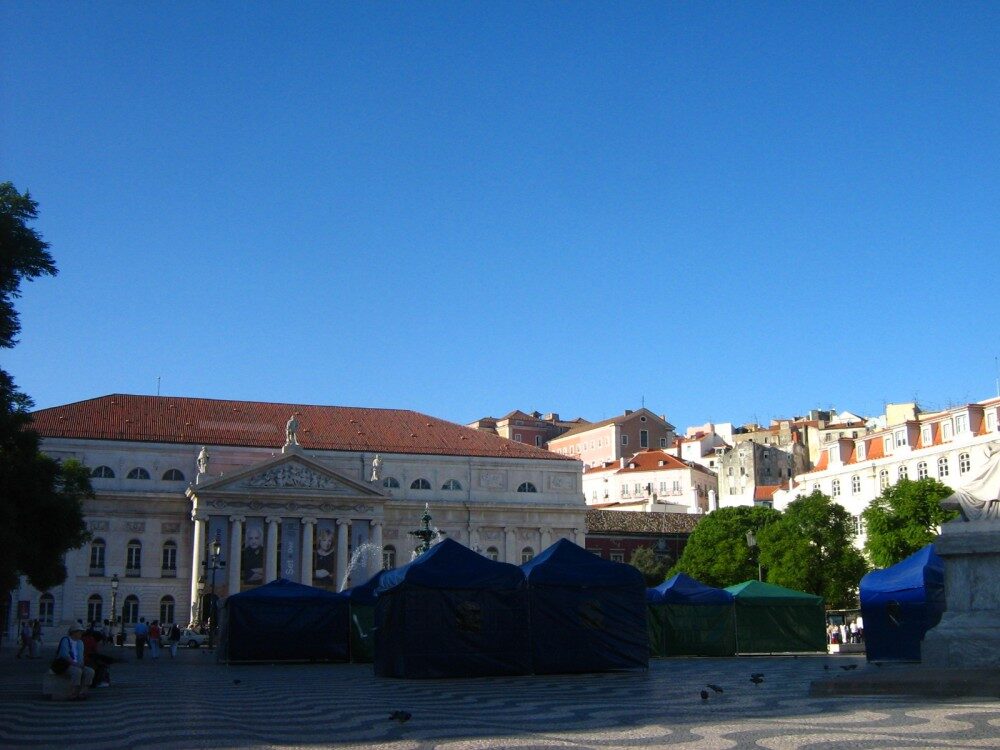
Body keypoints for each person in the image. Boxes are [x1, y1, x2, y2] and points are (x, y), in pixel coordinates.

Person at [57, 625, 95, 700]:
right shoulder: (66, 640)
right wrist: (76, 664)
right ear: (74, 632)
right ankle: (73, 692)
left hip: (77, 664)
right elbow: (64, 655)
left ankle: (84, 691)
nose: (81, 634)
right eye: (80, 632)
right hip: (66, 664)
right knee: (77, 671)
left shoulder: (80, 642)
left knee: (90, 671)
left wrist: (81, 664)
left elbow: (81, 656)